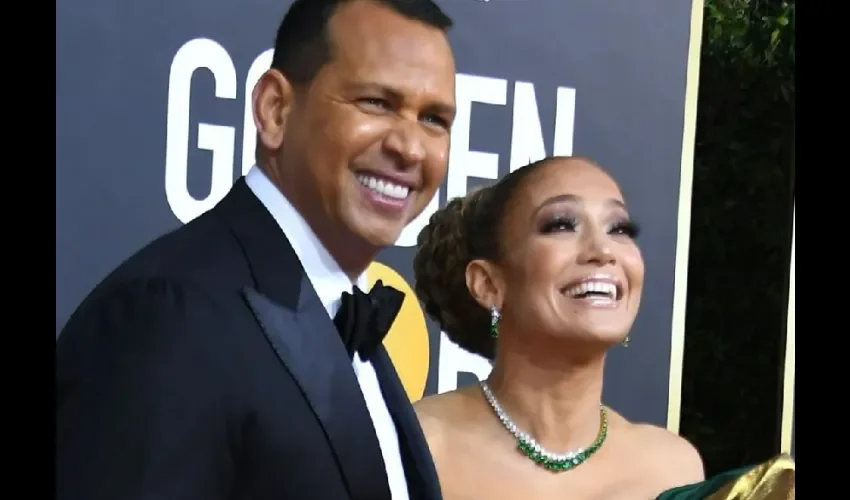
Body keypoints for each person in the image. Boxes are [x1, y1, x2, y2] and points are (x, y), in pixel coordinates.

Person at [55, 0, 457, 499]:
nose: (411, 148)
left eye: (435, 119)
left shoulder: (346, 321)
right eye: (376, 102)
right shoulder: (168, 316)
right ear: (275, 109)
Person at [411, 156, 795, 499]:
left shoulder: (670, 466)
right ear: (488, 284)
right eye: (561, 224)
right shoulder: (417, 447)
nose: (604, 250)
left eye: (620, 228)